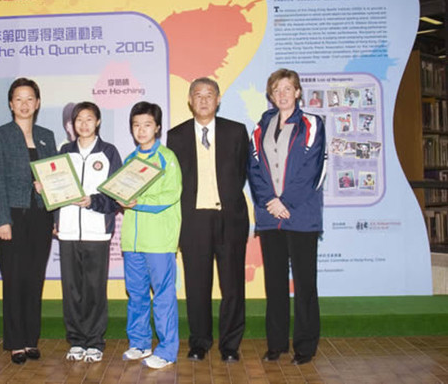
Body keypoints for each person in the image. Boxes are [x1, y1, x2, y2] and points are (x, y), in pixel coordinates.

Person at [167, 77, 249, 362]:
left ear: (218, 100)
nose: (203, 99)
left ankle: (230, 345)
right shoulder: (175, 136)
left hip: (230, 220)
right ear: (190, 100)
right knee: (197, 286)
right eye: (198, 95)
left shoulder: (236, 132)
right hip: (193, 222)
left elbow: (241, 174)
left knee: (233, 286)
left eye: (209, 94)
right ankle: (199, 343)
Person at [248, 69, 326, 366]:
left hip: (301, 216)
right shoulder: (261, 125)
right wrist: (269, 200)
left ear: (297, 92)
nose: (282, 94)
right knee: (275, 284)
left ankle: (305, 347)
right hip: (270, 219)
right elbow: (253, 167)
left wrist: (285, 202)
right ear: (270, 95)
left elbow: (312, 169)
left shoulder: (312, 124)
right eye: (276, 89)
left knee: (305, 284)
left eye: (287, 88)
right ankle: (276, 344)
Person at [0, 78, 57, 365]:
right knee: (14, 278)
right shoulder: (0, 135)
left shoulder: (46, 135)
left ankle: (31, 339)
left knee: (34, 278)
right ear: (10, 104)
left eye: (30, 98)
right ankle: (15, 341)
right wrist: (2, 220)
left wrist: (52, 210)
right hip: (13, 216)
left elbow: (56, 178)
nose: (25, 104)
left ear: (38, 103)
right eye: (19, 99)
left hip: (41, 215)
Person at [57, 101, 122, 362]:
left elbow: (116, 195)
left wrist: (92, 201)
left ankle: (95, 341)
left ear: (98, 122)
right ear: (72, 124)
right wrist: (54, 215)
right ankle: (76, 340)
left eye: (88, 119)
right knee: (72, 288)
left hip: (97, 232)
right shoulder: (64, 152)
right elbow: (57, 189)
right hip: (68, 231)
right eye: (78, 120)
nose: (83, 124)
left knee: (94, 288)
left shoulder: (108, 152)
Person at [120, 101, 182, 369]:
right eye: (136, 125)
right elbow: (121, 192)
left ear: (157, 127)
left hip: (158, 239)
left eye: (147, 125)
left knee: (164, 295)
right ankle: (140, 343)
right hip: (131, 240)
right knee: (136, 294)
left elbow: (171, 194)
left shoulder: (166, 158)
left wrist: (138, 200)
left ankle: (167, 350)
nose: (141, 130)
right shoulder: (129, 160)